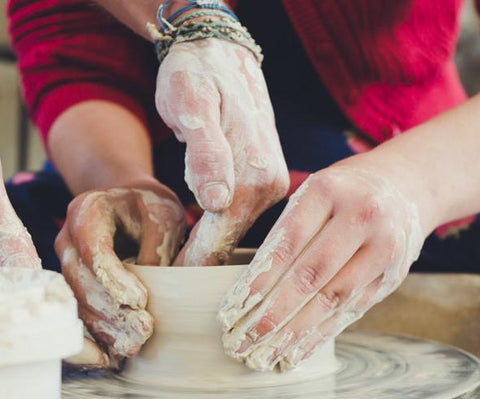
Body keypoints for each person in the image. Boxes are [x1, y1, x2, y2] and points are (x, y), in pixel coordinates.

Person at [7, 0, 480, 371]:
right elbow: (70, 47)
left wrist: (413, 185)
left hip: (407, 158)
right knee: (28, 276)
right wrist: (122, 181)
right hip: (150, 146)